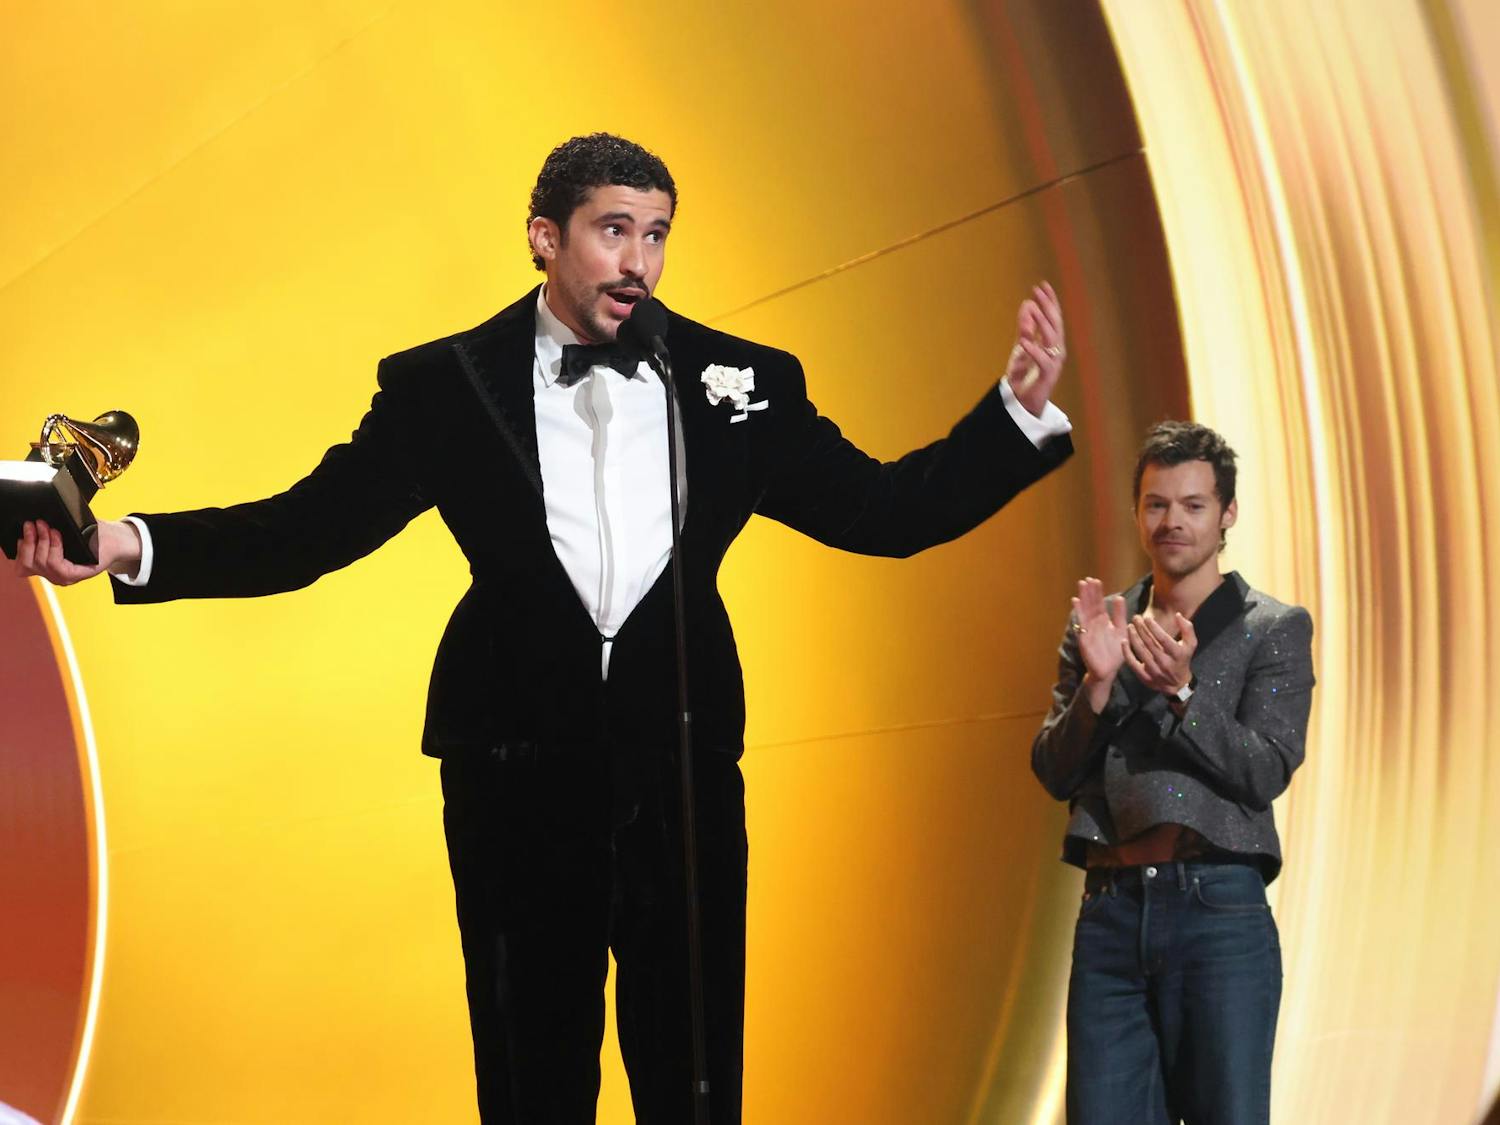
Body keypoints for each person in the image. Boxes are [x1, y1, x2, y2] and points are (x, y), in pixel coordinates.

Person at [16, 133, 1074, 1124]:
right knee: (530, 1079)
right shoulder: (444, 386)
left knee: (695, 1080)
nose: (641, 261)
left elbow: (881, 514)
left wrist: (1012, 417)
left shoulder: (740, 383)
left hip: (683, 779)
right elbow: (310, 532)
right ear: (545, 238)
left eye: (657, 234)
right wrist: (119, 542)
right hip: (514, 774)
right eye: (615, 229)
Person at [1031, 421, 1314, 1125]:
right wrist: (1097, 687)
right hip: (1110, 912)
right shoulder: (1102, 624)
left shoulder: (1270, 628)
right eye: (1157, 503)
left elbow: (1264, 769)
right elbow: (1053, 769)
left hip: (1217, 908)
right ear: (1137, 512)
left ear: (1227, 515)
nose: (1173, 521)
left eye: (1193, 504)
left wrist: (1183, 694)